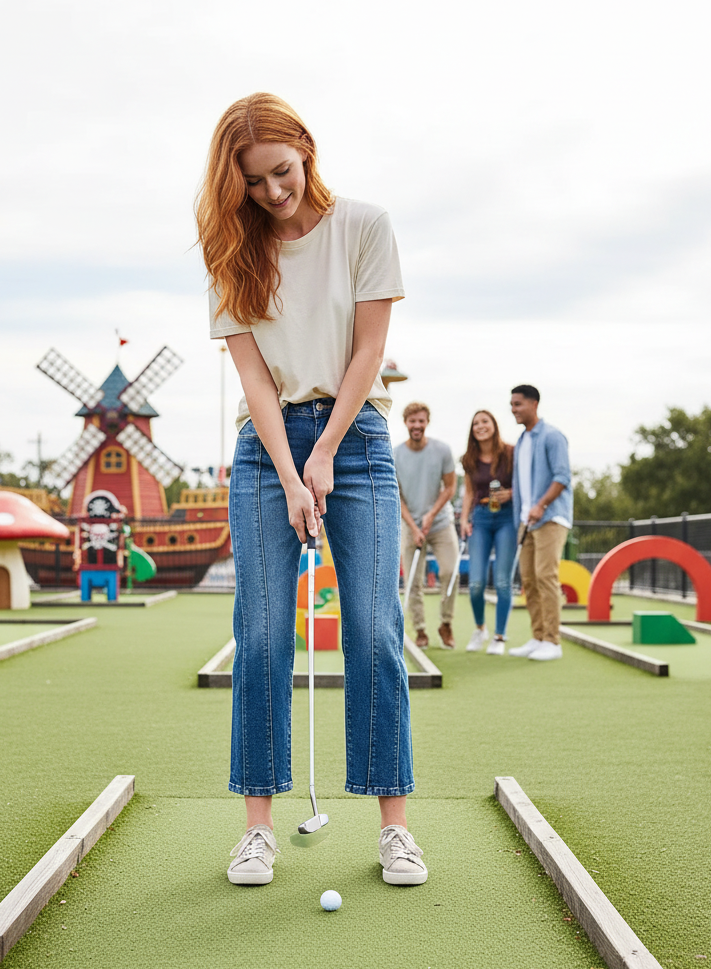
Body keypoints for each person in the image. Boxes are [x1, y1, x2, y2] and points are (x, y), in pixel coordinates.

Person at [196, 93, 427, 888]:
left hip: (356, 441)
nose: (271, 193)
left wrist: (324, 455)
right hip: (265, 454)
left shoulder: (366, 226)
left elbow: (368, 353)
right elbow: (254, 379)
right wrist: (292, 473)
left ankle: (394, 828)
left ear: (306, 150)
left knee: (371, 629)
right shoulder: (233, 250)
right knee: (261, 635)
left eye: (281, 172)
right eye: (253, 183)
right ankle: (257, 830)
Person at [508, 385, 572, 661]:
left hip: (550, 518)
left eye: (518, 404)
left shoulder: (552, 436)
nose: (513, 409)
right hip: (526, 520)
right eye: (511, 404)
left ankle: (552, 641)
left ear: (534, 404)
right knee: (530, 580)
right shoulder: (522, 440)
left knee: (546, 577)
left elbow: (562, 477)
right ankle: (538, 636)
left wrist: (541, 505)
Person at [394, 402, 458, 649]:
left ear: (427, 422)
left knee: (449, 573)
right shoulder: (396, 453)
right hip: (411, 526)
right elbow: (396, 495)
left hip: (441, 522)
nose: (417, 426)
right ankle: (420, 630)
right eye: (412, 421)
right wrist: (414, 525)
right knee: (413, 580)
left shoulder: (442, 450)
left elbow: (450, 487)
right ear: (406, 423)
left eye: (421, 421)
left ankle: (446, 623)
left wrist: (431, 515)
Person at [459, 410, 516, 654]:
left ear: (494, 425)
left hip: (507, 517)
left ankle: (499, 637)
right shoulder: (468, 459)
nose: (480, 426)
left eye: (485, 421)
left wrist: (511, 494)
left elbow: (523, 484)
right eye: (476, 424)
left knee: (503, 580)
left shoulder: (511, 453)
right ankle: (480, 628)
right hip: (481, 518)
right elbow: (469, 492)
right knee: (476, 582)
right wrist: (463, 519)